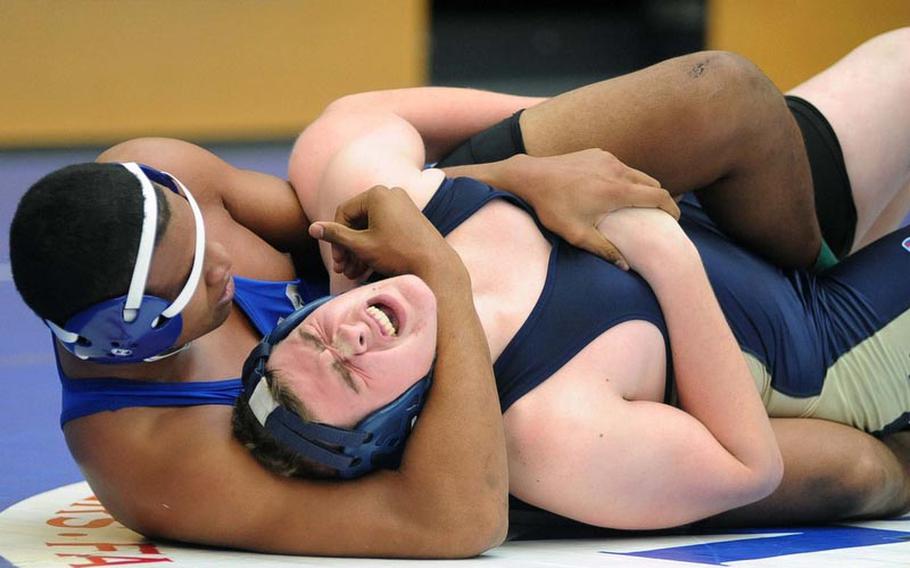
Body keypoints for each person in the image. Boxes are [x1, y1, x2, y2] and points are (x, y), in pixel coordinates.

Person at [8, 28, 909, 553]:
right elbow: (453, 518)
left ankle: (823, 254)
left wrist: (525, 170)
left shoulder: (160, 180)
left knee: (722, 98)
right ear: (136, 340)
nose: (226, 269)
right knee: (858, 470)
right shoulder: (158, 460)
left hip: (495, 258)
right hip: (542, 375)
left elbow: (343, 204)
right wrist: (440, 270)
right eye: (197, 286)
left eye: (206, 243)